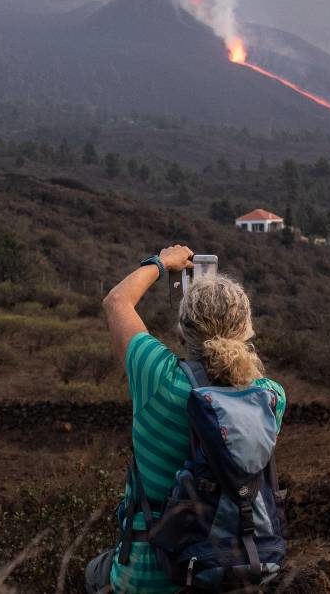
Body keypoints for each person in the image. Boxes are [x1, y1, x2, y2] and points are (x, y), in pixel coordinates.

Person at [86, 245, 287, 593]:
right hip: (232, 570)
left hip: (152, 577)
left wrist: (161, 263)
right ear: (247, 331)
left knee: (94, 574)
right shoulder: (271, 397)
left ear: (182, 329)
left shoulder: (157, 377)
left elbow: (117, 301)